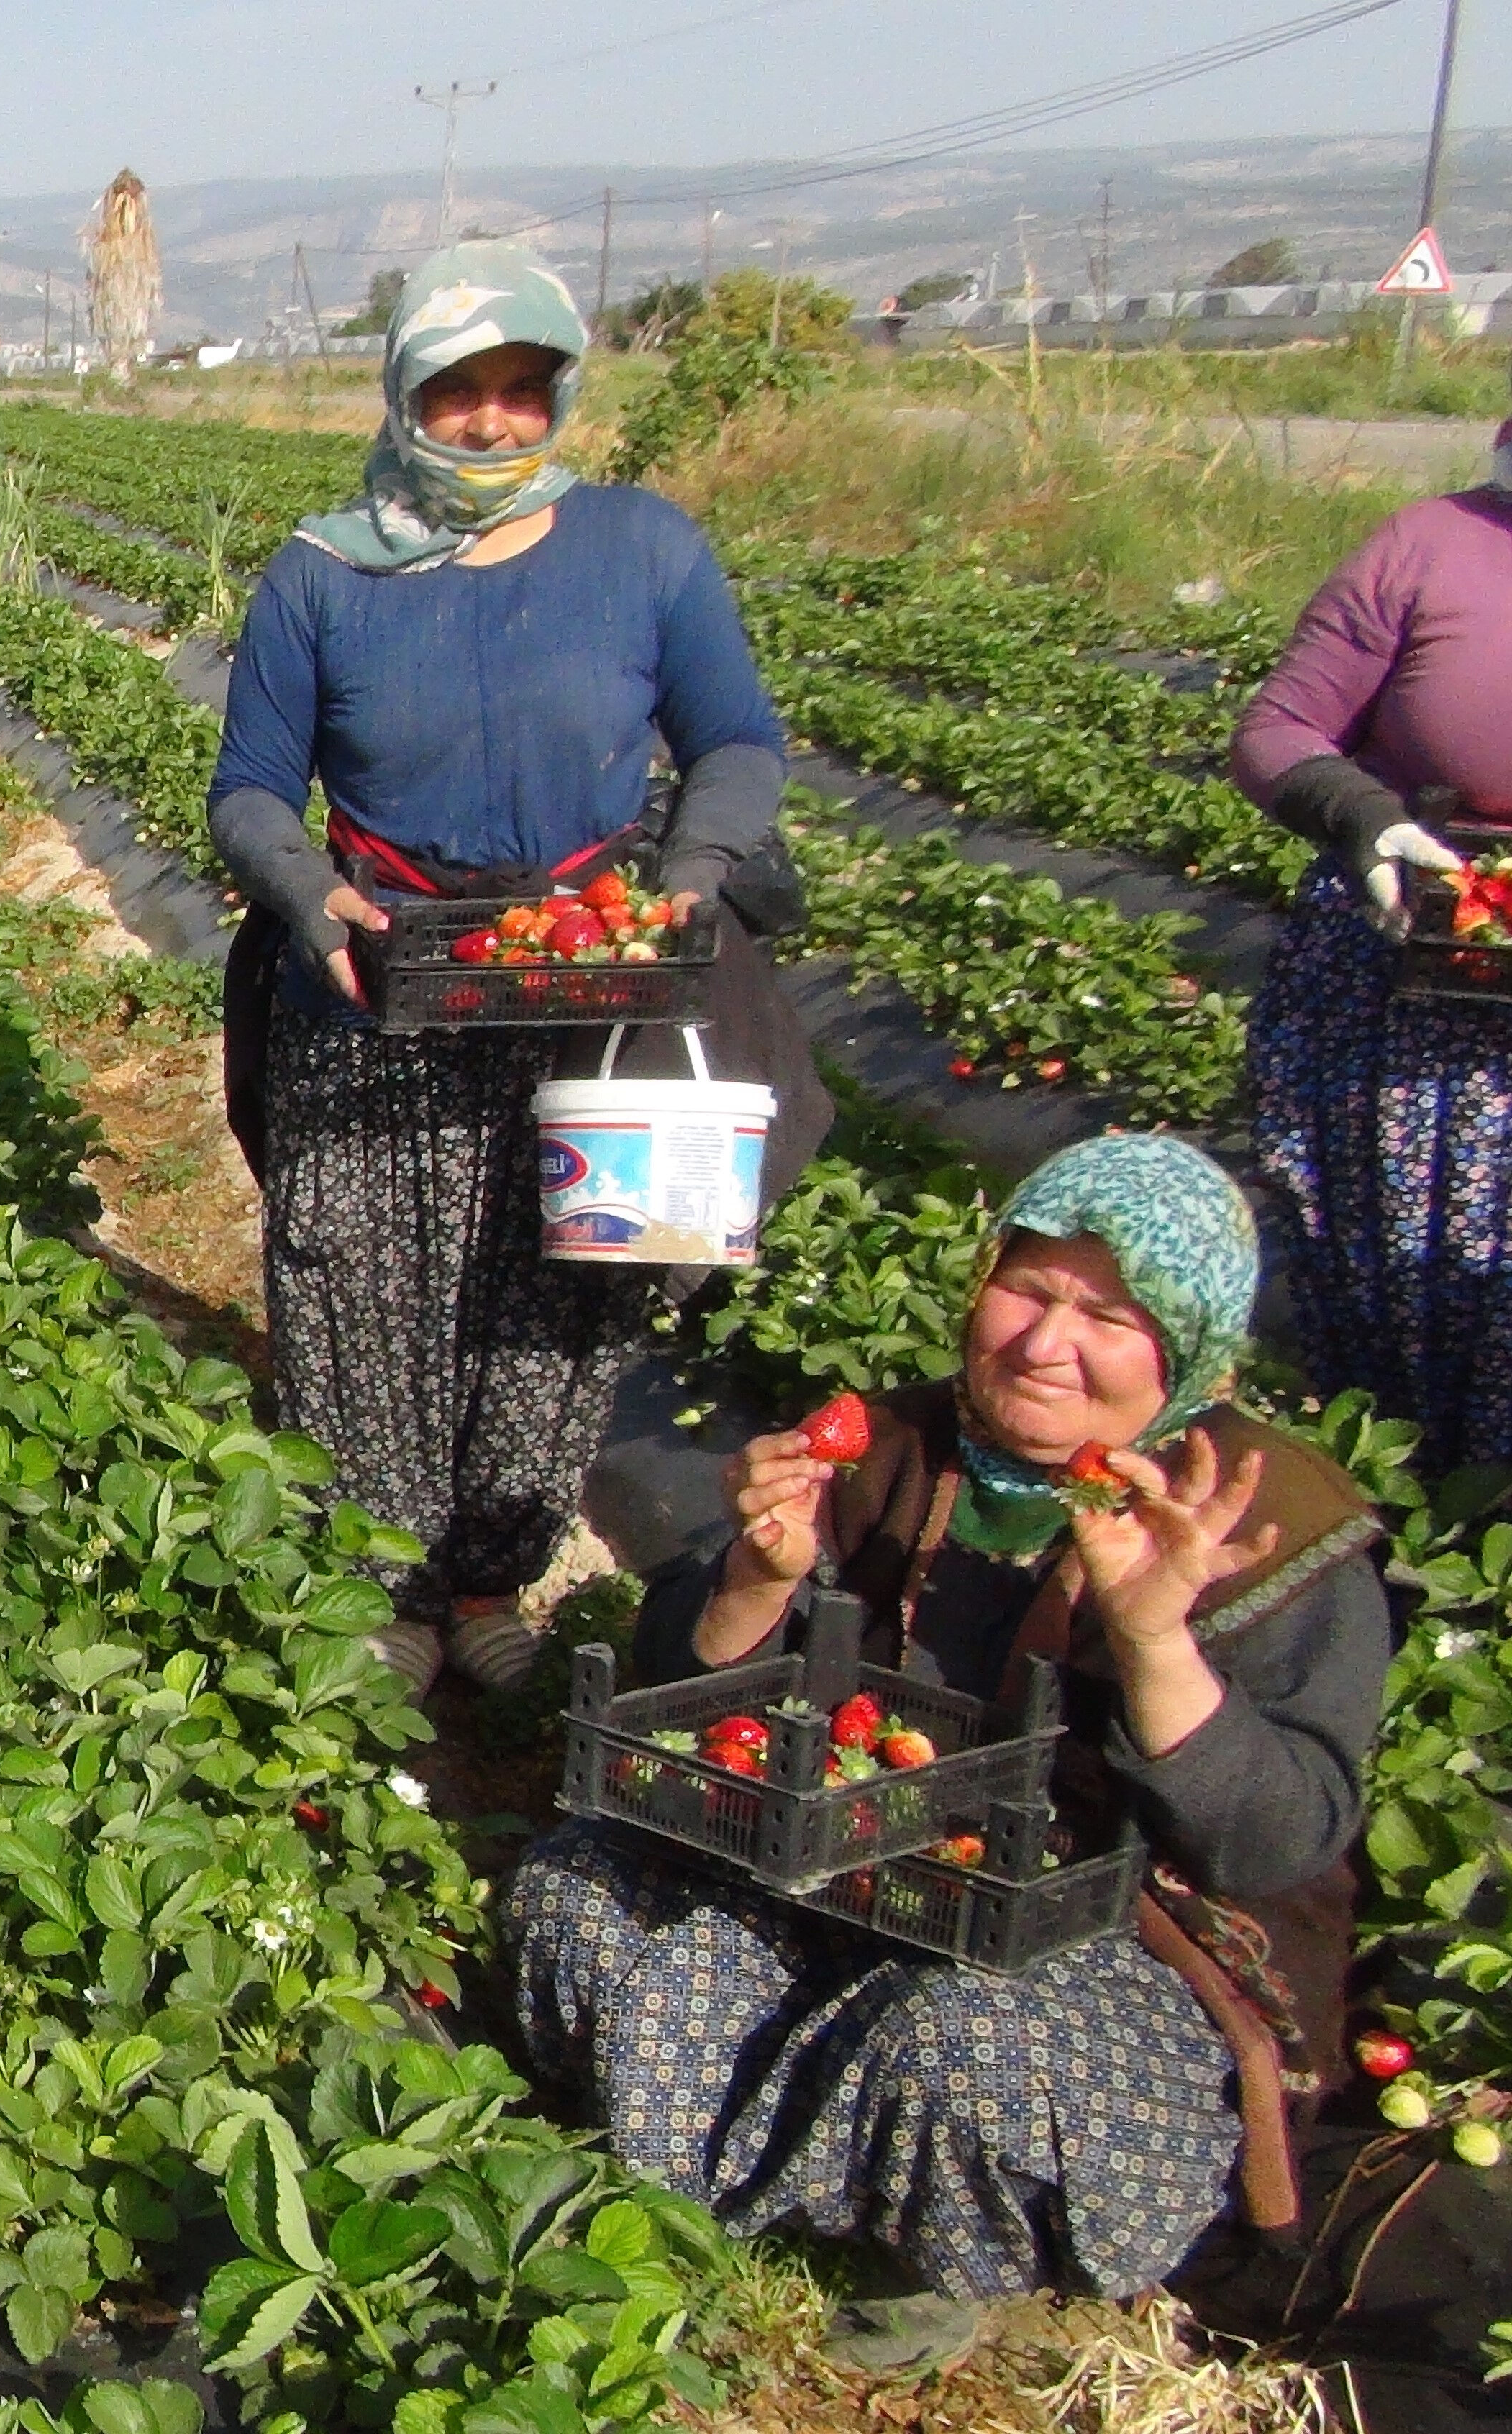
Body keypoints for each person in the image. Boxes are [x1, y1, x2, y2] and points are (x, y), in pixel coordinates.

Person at [510, 1134, 1388, 2373]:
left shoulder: (1263, 1524)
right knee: (580, 1888)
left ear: (1189, 1347)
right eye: (1026, 1286)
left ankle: (922, 2253)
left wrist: (1151, 1638)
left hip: (1093, 1945)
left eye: (1109, 1314)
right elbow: (687, 1693)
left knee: (965, 2045)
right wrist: (756, 1580)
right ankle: (700, 2194)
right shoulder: (893, 1443)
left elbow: (1272, 1840)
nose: (1042, 1343)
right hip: (848, 1872)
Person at [206, 240, 813, 1697]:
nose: (486, 421)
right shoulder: (321, 574)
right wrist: (308, 895)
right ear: (403, 390)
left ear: (558, 395)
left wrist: (684, 878)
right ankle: (383, 1586)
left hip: (583, 980)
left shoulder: (640, 550)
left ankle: (487, 1579)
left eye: (517, 391)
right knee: (359, 1283)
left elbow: (735, 740)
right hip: (382, 980)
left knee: (554, 1291)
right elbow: (245, 791)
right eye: (454, 389)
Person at [1226, 451, 1512, 1471]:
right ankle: (1407, 1512)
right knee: (1398, 1277)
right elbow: (1277, 730)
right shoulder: (1429, 546)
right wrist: (1362, 819)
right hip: (1412, 951)